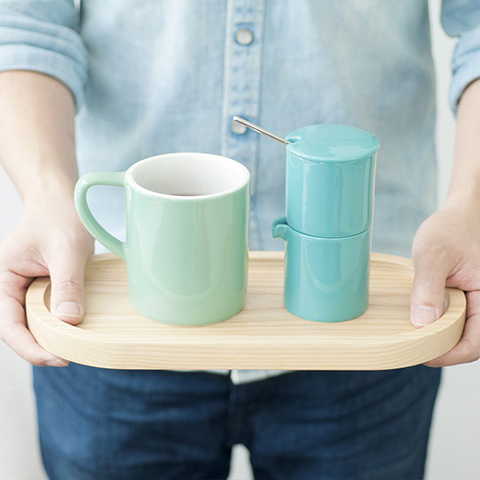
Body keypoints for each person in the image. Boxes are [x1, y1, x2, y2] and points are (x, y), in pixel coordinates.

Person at [0, 1, 479, 479]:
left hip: (373, 325)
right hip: (113, 329)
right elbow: (23, 22)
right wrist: (47, 196)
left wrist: (470, 208)